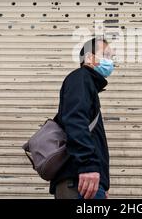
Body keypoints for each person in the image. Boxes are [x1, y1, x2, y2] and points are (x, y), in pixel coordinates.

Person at [50, 37, 115, 199]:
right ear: (89, 58)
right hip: (79, 180)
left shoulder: (87, 83)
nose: (111, 61)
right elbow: (75, 121)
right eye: (106, 55)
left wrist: (103, 183)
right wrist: (88, 166)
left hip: (86, 181)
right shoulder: (80, 78)